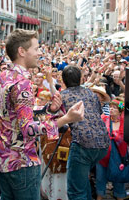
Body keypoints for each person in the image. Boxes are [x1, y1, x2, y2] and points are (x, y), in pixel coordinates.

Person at [0, 29, 84, 200]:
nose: (40, 53)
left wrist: (49, 110)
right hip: (21, 161)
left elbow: (16, 116)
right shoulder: (22, 83)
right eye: (36, 48)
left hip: (3, 157)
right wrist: (66, 119)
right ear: (22, 51)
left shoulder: (5, 75)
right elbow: (27, 129)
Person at [60, 65, 110, 200]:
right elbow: (97, 113)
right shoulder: (90, 93)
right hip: (103, 143)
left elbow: (56, 120)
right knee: (82, 183)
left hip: (83, 145)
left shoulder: (62, 96)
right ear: (81, 79)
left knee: (76, 191)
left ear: (63, 81)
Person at [96, 98, 127, 200]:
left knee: (119, 180)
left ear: (120, 110)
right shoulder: (104, 119)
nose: (111, 109)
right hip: (103, 156)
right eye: (110, 107)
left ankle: (120, 196)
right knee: (100, 178)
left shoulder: (125, 123)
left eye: (114, 107)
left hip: (119, 157)